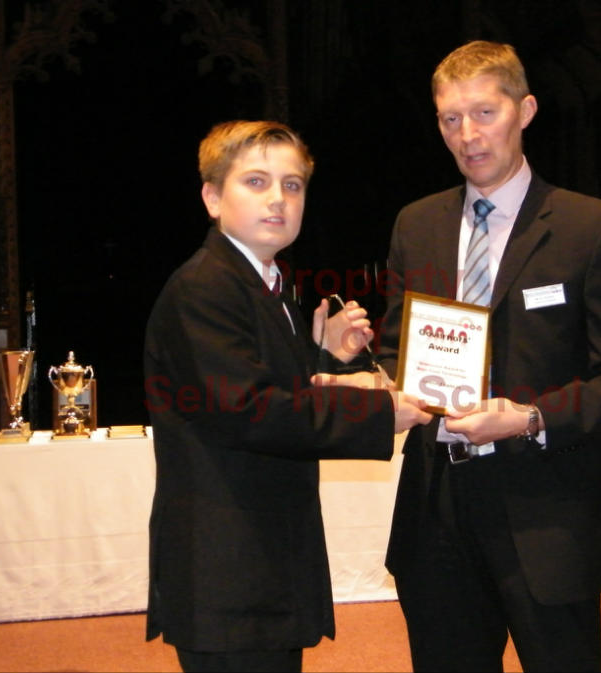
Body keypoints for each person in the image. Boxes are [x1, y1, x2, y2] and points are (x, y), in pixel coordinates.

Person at [376, 41, 601, 672]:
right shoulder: (416, 225)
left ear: (525, 110)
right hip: (436, 507)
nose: (468, 135)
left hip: (547, 511)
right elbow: (401, 351)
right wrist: (370, 372)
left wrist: (529, 418)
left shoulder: (590, 228)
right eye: (451, 119)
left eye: (485, 113)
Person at [143, 119, 432, 673]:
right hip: (229, 570)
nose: (278, 198)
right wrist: (378, 411)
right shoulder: (205, 288)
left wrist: (325, 357)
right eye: (256, 181)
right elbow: (253, 412)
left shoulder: (263, 283)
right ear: (212, 198)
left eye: (292, 184)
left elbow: (270, 390)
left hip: (262, 558)